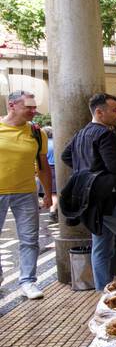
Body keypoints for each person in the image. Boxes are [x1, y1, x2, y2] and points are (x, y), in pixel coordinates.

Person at [60, 93, 116, 291]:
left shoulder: (82, 133)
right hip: (113, 200)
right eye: (115, 110)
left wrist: (86, 173)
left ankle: (101, 292)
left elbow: (66, 156)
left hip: (91, 202)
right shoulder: (105, 134)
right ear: (99, 112)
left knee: (101, 247)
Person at [0, 89, 51, 299]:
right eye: (28, 107)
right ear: (12, 106)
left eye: (34, 106)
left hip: (26, 192)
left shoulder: (37, 133)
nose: (33, 110)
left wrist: (48, 193)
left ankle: (28, 281)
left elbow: (43, 166)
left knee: (30, 239)